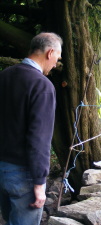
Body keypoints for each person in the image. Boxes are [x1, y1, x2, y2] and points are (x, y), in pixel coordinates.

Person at [0, 32, 63, 225]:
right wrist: (39, 182)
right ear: (50, 52)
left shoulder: (4, 76)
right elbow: (39, 139)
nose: (56, 64)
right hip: (22, 173)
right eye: (57, 59)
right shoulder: (42, 86)